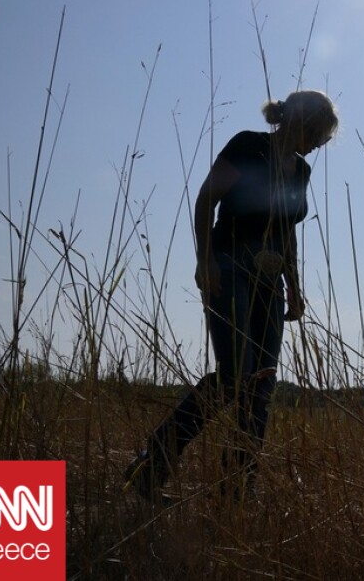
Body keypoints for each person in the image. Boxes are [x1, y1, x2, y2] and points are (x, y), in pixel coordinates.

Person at [125, 90, 338, 504]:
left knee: (261, 383)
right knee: (234, 376)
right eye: (317, 133)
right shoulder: (247, 145)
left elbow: (286, 230)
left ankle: (239, 487)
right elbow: (207, 198)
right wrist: (204, 258)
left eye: (324, 139)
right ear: (298, 122)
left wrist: (294, 287)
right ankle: (152, 464)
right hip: (229, 267)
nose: (318, 144)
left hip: (269, 281)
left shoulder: (302, 171)